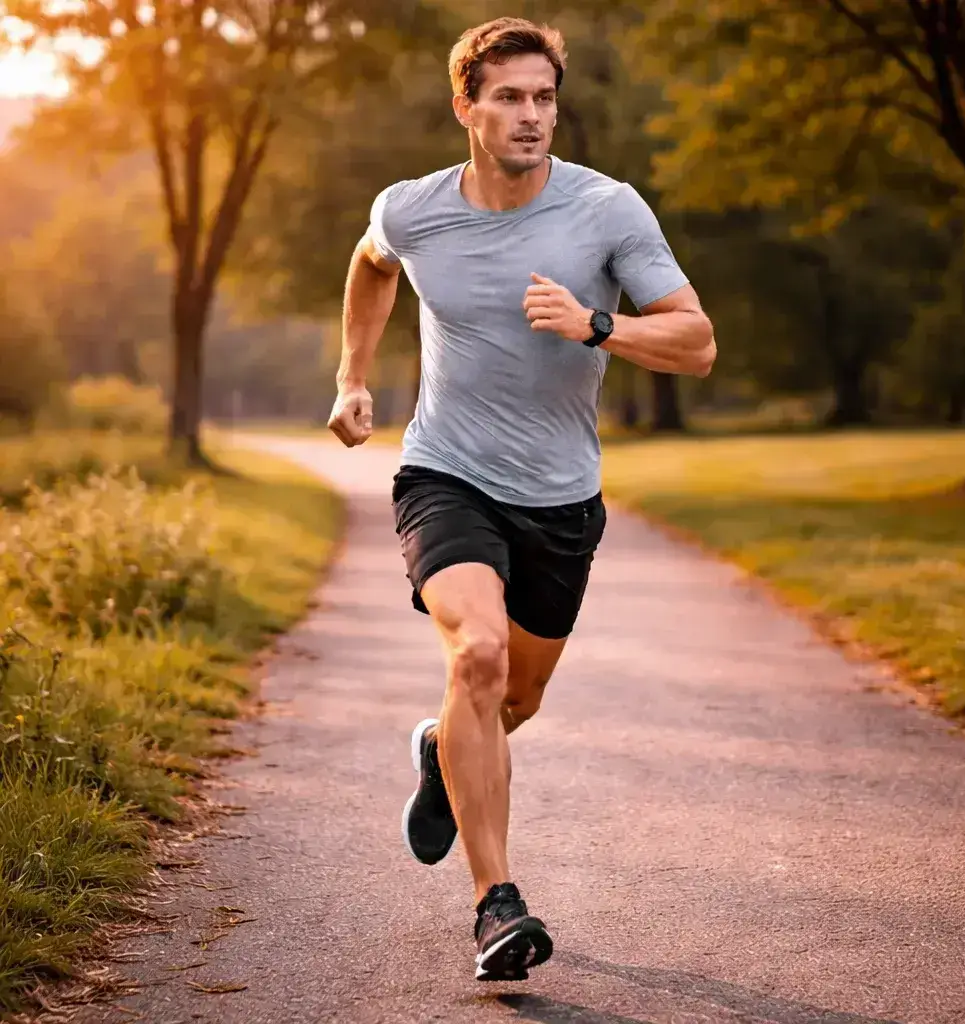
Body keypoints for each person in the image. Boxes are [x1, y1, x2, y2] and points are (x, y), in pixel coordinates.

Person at [328, 16, 716, 984]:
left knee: (515, 696)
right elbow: (372, 264)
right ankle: (495, 903)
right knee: (481, 655)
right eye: (509, 96)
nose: (532, 115)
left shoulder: (607, 210)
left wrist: (597, 325)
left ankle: (439, 750)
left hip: (560, 499)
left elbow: (697, 341)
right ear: (465, 106)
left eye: (544, 97)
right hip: (445, 473)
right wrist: (352, 375)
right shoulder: (413, 209)